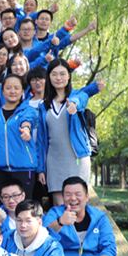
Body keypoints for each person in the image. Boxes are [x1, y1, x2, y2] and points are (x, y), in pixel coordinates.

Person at [44, 178, 128, 256]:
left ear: (87, 197)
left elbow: (109, 247)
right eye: (68, 194)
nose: (73, 198)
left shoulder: (99, 217)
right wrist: (60, 222)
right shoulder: (55, 214)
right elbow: (42, 238)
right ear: (63, 197)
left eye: (78, 194)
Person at [36, 59, 91, 206]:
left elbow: (82, 99)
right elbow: (41, 140)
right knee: (59, 204)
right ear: (49, 77)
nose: (58, 78)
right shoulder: (43, 105)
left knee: (77, 203)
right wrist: (41, 169)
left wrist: (74, 105)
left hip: (76, 158)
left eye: (62, 74)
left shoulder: (77, 96)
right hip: (54, 161)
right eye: (54, 74)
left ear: (69, 76)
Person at [0, 75, 40, 205]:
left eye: (16, 88)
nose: (12, 91)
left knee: (24, 209)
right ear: (2, 91)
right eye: (8, 88)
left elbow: (28, 120)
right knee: (2, 208)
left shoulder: (28, 110)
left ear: (22, 91)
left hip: (23, 169)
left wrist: (26, 129)